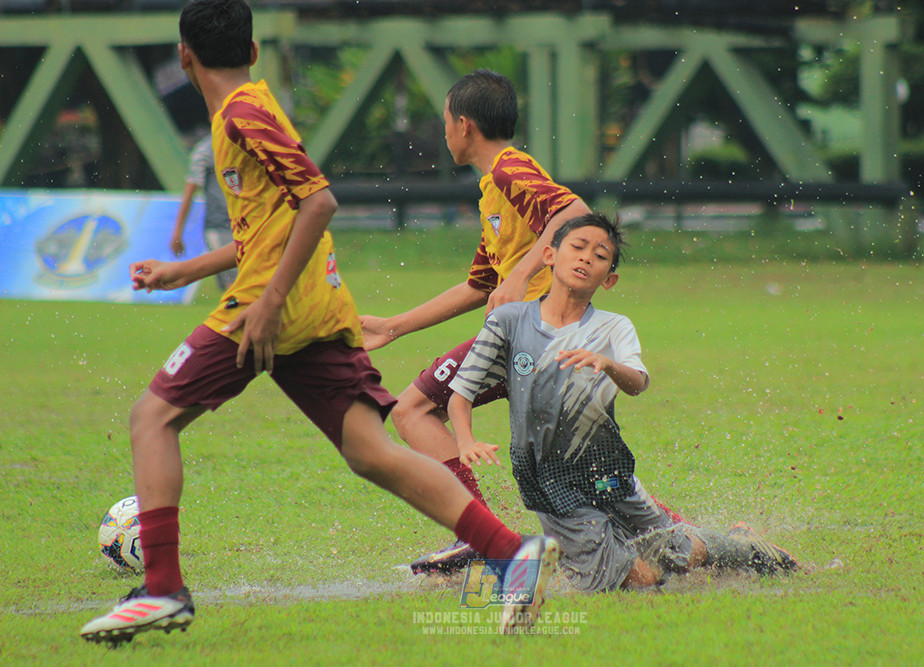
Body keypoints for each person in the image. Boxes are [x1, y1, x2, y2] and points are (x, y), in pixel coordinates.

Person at [79, 0, 557, 644]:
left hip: (270, 308)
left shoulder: (242, 112)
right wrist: (186, 271)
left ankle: (163, 589)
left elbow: (317, 200)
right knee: (372, 452)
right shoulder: (243, 113)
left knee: (152, 417)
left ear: (184, 55)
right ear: (251, 52)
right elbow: (270, 224)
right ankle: (509, 553)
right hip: (312, 307)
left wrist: (271, 301)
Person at [448, 212, 798, 593]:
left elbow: (639, 382)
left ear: (609, 279)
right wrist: (465, 441)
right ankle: (583, 554)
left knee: (680, 554)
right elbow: (461, 392)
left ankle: (742, 545)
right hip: (546, 479)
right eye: (577, 247)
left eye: (599, 256)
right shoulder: (507, 320)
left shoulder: (614, 327)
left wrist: (608, 364)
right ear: (549, 255)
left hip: (606, 465)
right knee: (639, 582)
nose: (585, 258)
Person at [360, 69, 595, 573]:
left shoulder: (510, 169)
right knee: (582, 477)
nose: (444, 132)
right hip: (535, 338)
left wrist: (525, 274)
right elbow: (478, 286)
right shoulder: (494, 190)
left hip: (534, 334)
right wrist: (394, 326)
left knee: (412, 410)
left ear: (463, 125)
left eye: (445, 121)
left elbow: (575, 211)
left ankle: (482, 535)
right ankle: (694, 537)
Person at [169, 132, 237, 291]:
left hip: (247, 224)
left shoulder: (246, 143)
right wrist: (177, 232)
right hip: (220, 226)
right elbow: (189, 192)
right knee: (234, 287)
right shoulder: (205, 150)